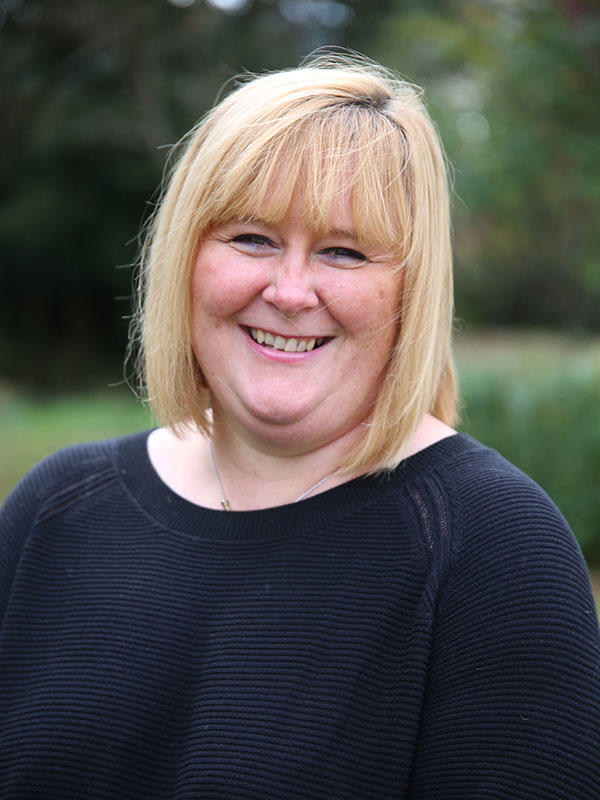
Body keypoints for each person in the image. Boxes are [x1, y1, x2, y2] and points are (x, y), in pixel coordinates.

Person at [1, 53, 598, 799]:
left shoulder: (491, 551)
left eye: (344, 252)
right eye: (250, 238)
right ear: (185, 257)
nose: (289, 291)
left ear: (408, 294)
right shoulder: (53, 514)